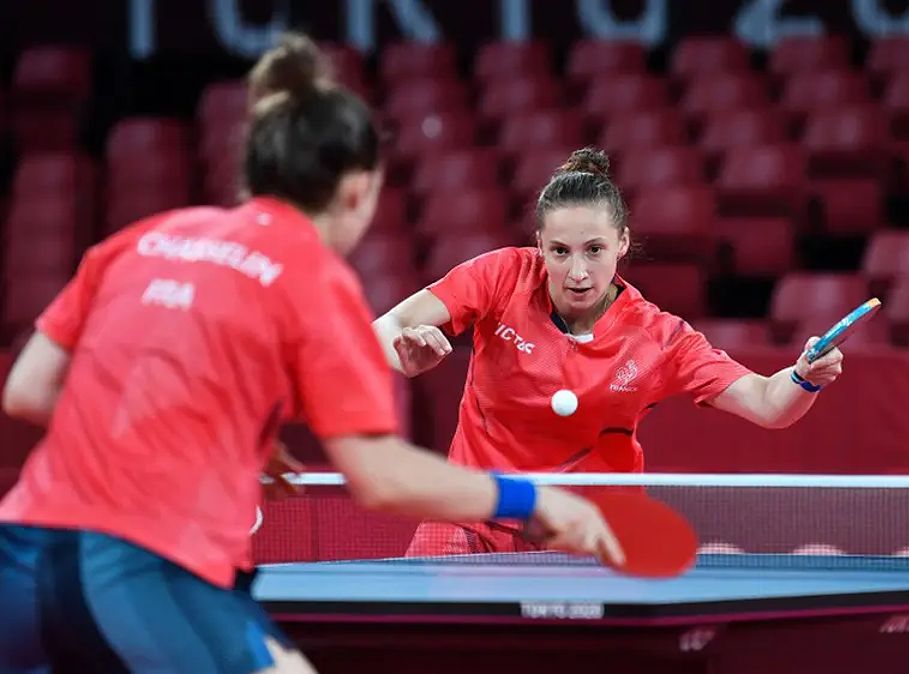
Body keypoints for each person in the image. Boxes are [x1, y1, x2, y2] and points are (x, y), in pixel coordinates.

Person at [0, 34, 621, 674]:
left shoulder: (145, 237)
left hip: (22, 555)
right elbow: (381, 478)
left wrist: (206, 434)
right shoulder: (312, 280)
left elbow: (27, 389)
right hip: (142, 567)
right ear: (358, 190)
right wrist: (530, 500)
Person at [373, 147, 846, 557]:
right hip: (468, 515)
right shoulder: (501, 277)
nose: (577, 271)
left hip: (584, 534)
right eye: (560, 251)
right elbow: (381, 331)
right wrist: (402, 355)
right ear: (539, 245)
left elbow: (768, 404)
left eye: (594, 250)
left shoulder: (657, 337)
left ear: (622, 243)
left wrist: (804, 376)